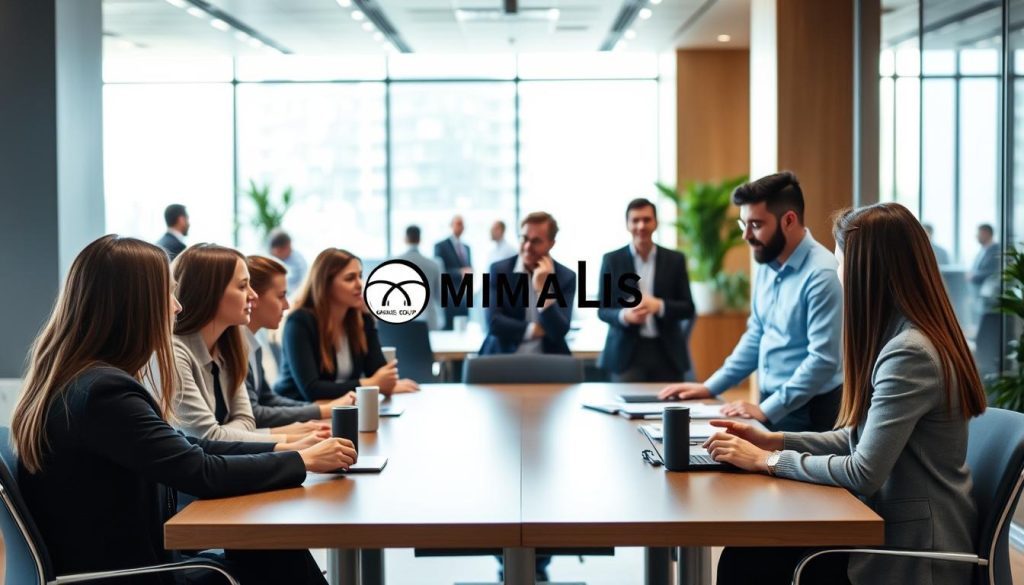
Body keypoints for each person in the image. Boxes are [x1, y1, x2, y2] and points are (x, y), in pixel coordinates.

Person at [11, 234, 356, 585]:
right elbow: (198, 470)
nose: (177, 307)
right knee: (273, 551)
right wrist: (301, 461)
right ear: (137, 305)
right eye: (169, 295)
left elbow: (190, 446)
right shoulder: (104, 394)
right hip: (132, 575)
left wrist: (290, 451)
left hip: (128, 564)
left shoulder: (83, 382)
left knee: (268, 548)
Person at [704, 203, 986, 585]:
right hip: (886, 526)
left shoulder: (909, 353)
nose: (836, 274)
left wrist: (768, 461)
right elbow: (859, 440)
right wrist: (774, 439)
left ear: (866, 272)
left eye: (839, 263)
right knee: (748, 556)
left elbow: (863, 471)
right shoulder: (903, 339)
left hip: (913, 552)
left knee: (748, 563)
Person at [659, 172, 843, 432]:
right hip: (771, 401)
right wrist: (710, 387)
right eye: (742, 224)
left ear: (789, 220)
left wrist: (767, 410)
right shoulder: (768, 262)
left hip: (810, 410)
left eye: (755, 225)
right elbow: (756, 334)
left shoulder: (822, 273)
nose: (746, 235)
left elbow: (823, 360)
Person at [173, 244, 328, 443]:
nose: (253, 296)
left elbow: (247, 420)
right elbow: (207, 438)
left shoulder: (229, 346)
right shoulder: (175, 355)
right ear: (209, 292)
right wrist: (289, 439)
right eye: (242, 286)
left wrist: (223, 433)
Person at [275, 247, 419, 402]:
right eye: (350, 278)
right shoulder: (300, 322)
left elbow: (378, 373)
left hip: (342, 407)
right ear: (326, 285)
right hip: (298, 409)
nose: (360, 284)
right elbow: (312, 390)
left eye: (360, 276)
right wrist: (369, 384)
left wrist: (369, 318)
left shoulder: (359, 318)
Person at [245, 255, 354, 428]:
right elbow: (255, 413)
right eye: (281, 296)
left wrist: (320, 409)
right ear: (254, 297)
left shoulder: (253, 343)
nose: (287, 305)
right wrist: (323, 410)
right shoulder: (240, 346)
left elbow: (267, 398)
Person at [598, 198, 695, 382]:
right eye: (635, 220)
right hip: (626, 353)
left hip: (666, 352)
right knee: (624, 400)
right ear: (627, 224)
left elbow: (688, 308)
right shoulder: (611, 260)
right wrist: (624, 316)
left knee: (669, 401)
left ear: (656, 223)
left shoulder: (675, 260)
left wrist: (659, 306)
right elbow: (602, 310)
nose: (641, 226)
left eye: (646, 219)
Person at [480, 211, 576, 355]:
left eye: (536, 241)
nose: (527, 247)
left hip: (548, 359)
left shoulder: (565, 276)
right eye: (524, 238)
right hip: (503, 357)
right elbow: (494, 323)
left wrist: (543, 289)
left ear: (551, 244)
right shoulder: (499, 270)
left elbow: (558, 331)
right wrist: (533, 330)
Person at [395, 225, 443, 330]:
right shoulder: (434, 264)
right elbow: (440, 297)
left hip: (402, 320)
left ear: (405, 239)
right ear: (420, 239)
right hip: (429, 320)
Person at [434, 215, 472, 330]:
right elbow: (439, 270)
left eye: (463, 225)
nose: (461, 227)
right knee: (449, 328)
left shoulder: (467, 247)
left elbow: (468, 267)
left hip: (464, 294)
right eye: (458, 224)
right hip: (448, 295)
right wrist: (460, 272)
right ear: (451, 225)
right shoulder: (441, 246)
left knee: (463, 327)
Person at [969, 223, 1000, 322]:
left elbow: (993, 271)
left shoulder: (995, 250)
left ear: (986, 233)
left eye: (978, 233)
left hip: (989, 295)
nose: (976, 236)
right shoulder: (983, 250)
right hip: (980, 293)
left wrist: (974, 276)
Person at [269, 229, 308, 294]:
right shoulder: (269, 259)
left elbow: (302, 285)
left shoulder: (297, 261)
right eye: (289, 248)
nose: (291, 250)